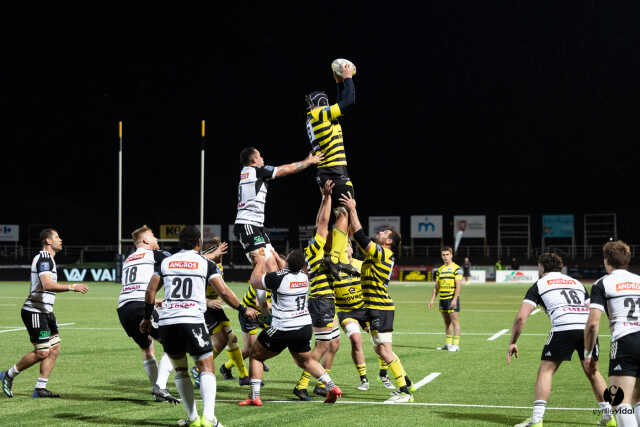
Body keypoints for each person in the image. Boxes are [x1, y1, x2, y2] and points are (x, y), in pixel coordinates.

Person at [140, 226, 258, 427]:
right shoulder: (205, 263)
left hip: (168, 323)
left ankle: (193, 419)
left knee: (180, 371)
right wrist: (242, 309)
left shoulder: (166, 262)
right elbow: (224, 292)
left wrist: (147, 318)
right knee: (206, 368)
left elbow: (150, 292)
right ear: (198, 242)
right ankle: (209, 418)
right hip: (192, 320)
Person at [508, 253, 614, 427]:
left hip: (563, 327)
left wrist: (513, 341)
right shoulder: (577, 283)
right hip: (586, 329)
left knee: (546, 371)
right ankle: (609, 417)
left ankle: (536, 420)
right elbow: (591, 309)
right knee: (593, 372)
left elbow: (521, 318)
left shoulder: (539, 284)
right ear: (561, 267)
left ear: (542, 267)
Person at [239, 249, 342, 406]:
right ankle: (332, 388)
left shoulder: (277, 279)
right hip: (303, 327)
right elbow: (288, 270)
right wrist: (275, 255)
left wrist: (260, 262)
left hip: (282, 328)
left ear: (286, 261)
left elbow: (255, 281)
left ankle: (255, 396)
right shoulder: (304, 277)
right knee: (306, 361)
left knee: (256, 355)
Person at [340, 192, 414, 403]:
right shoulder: (379, 254)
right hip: (374, 308)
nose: (380, 232)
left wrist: (353, 208)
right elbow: (357, 235)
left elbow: (361, 237)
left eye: (384, 232)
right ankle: (406, 382)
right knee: (380, 348)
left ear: (389, 241)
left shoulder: (384, 253)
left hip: (380, 308)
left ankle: (404, 391)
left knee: (382, 349)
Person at [0, 229, 88, 399]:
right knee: (42, 352)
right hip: (35, 312)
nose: (61, 240)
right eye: (57, 237)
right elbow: (47, 284)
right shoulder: (44, 259)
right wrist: (72, 287)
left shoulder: (49, 260)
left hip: (46, 313)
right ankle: (8, 375)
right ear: (48, 241)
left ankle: (40, 388)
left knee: (54, 348)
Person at [234, 146, 322, 272]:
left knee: (275, 262)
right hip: (247, 224)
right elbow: (287, 169)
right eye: (259, 156)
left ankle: (279, 290)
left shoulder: (246, 172)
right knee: (264, 265)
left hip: (256, 226)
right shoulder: (258, 171)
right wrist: (308, 162)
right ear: (254, 159)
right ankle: (259, 291)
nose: (262, 158)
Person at [305, 61, 356, 276]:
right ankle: (335, 258)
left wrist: (338, 83)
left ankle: (328, 255)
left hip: (326, 171)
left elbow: (340, 103)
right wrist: (347, 78)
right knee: (344, 211)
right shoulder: (318, 115)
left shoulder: (318, 118)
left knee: (332, 213)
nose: (309, 106)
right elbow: (349, 100)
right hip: (335, 170)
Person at [116, 225, 178, 403]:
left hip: (124, 309)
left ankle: (158, 391)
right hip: (140, 307)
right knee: (173, 344)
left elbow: (135, 285)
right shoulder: (154, 255)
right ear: (145, 240)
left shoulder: (128, 259)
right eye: (153, 237)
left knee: (147, 347)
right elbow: (179, 261)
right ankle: (161, 387)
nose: (156, 240)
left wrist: (154, 300)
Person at [294, 180, 342, 400]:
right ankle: (302, 384)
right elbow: (322, 222)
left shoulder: (324, 253)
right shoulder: (314, 249)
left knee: (333, 343)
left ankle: (320, 383)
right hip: (320, 300)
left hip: (326, 300)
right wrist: (328, 197)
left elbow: (321, 223)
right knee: (323, 344)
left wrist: (326, 199)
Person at [585, 240, 640, 427]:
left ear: (606, 260)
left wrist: (588, 352)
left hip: (625, 340)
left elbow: (593, 324)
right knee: (638, 399)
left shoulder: (602, 284)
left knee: (621, 402)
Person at [189, 238, 251, 388]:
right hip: (204, 307)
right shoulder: (202, 266)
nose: (222, 255)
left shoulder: (216, 264)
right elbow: (191, 292)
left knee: (232, 339)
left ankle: (243, 376)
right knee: (223, 340)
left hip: (215, 307)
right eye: (219, 252)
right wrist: (208, 301)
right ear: (211, 253)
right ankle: (198, 368)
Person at [428, 247, 462, 352]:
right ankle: (448, 344)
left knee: (455, 322)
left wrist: (455, 299)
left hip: (451, 298)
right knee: (447, 323)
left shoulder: (457, 269)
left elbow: (459, 285)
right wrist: (432, 299)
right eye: (443, 255)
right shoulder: (440, 270)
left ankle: (456, 345)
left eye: (447, 254)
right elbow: (436, 287)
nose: (445, 257)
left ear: (451, 255)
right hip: (442, 299)